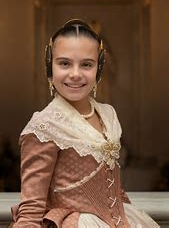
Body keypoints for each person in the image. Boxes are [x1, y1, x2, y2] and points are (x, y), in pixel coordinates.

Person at [11, 19, 160, 227]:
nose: (75, 74)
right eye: (64, 63)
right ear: (49, 66)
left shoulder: (108, 115)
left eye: (87, 65)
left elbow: (113, 190)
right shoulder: (44, 126)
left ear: (99, 69)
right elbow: (31, 210)